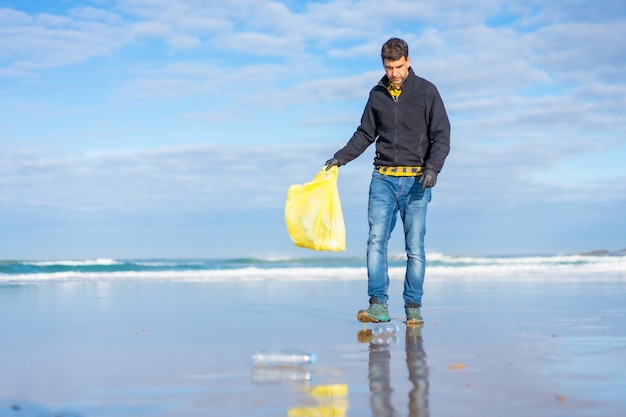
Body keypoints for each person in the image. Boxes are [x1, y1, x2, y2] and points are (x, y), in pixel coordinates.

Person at [325, 37, 450, 326]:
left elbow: (441, 136)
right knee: (375, 241)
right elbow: (365, 134)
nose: (393, 73)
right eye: (388, 67)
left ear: (408, 61)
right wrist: (339, 158)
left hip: (417, 182)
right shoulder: (377, 94)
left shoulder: (426, 92)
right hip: (383, 179)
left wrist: (433, 169)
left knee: (414, 247)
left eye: (398, 66)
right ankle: (378, 304)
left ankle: (413, 306)